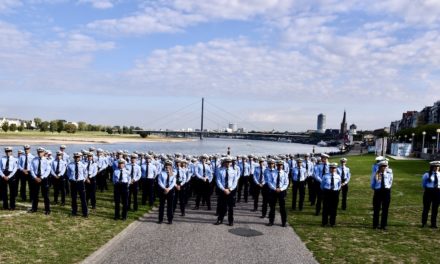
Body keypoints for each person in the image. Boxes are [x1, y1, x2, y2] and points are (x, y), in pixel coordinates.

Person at [215, 156, 238, 226]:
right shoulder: (220, 170)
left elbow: (235, 181)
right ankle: (220, 219)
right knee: (222, 206)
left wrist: (230, 189)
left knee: (230, 207)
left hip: (230, 190)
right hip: (223, 190)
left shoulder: (234, 171)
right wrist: (223, 189)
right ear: (224, 163)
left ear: (231, 163)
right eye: (226, 162)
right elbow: (218, 181)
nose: (228, 163)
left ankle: (230, 221)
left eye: (229, 162)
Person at [371, 160, 393, 230]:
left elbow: (390, 181)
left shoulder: (389, 173)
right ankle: (375, 225)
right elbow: (372, 184)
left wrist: (388, 188)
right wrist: (376, 189)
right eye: (383, 166)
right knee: (376, 209)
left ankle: (383, 225)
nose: (384, 167)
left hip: (386, 191)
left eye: (385, 166)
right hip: (378, 191)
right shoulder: (376, 174)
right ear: (380, 167)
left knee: (385, 209)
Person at [29, 147, 51, 214]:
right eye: (38, 152)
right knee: (35, 194)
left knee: (45, 195)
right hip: (35, 178)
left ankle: (47, 210)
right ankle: (34, 208)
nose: (39, 153)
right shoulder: (34, 160)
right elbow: (31, 169)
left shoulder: (47, 160)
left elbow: (48, 170)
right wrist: (35, 177)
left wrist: (41, 177)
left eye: (41, 152)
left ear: (44, 153)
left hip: (43, 178)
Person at [267, 160, 289, 227]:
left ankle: (283, 222)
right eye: (278, 165)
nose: (280, 166)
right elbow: (269, 182)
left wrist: (281, 189)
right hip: (273, 191)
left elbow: (286, 183)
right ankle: (271, 221)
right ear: (276, 165)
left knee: (282, 207)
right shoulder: (272, 173)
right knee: (272, 207)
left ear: (282, 166)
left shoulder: (285, 173)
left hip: (281, 191)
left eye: (281, 165)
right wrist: (275, 188)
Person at [67, 152, 88, 217]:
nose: (77, 158)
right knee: (74, 198)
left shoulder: (83, 165)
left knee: (83, 198)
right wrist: (71, 179)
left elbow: (85, 173)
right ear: (74, 157)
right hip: (73, 182)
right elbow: (68, 173)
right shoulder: (70, 165)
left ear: (80, 158)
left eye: (78, 157)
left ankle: (85, 213)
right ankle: (74, 211)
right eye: (75, 157)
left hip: (80, 182)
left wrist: (83, 180)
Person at [321, 163, 341, 227]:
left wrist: (337, 190)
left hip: (335, 192)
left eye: (334, 168)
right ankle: (324, 222)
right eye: (331, 168)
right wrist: (325, 191)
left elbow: (339, 185)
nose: (333, 169)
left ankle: (332, 222)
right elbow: (322, 185)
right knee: (325, 207)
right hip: (327, 192)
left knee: (334, 208)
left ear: (336, 169)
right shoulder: (325, 176)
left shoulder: (338, 176)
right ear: (329, 169)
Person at [421, 161, 440, 228]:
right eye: (435, 166)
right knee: (426, 208)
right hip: (429, 191)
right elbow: (423, 184)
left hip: (437, 192)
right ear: (432, 167)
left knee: (435, 209)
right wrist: (426, 189)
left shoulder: (439, 174)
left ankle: (433, 224)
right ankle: (424, 223)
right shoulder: (427, 174)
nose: (437, 168)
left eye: (438, 166)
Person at [157, 160, 176, 224]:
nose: (167, 166)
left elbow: (173, 182)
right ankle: (160, 219)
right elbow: (159, 182)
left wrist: (168, 189)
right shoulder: (161, 173)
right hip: (163, 190)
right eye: (166, 165)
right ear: (165, 166)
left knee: (170, 206)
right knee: (161, 205)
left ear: (171, 166)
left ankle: (170, 219)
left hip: (170, 190)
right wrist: (165, 188)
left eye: (169, 165)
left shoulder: (173, 173)